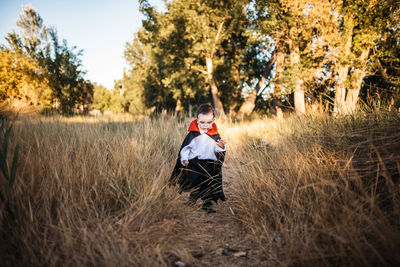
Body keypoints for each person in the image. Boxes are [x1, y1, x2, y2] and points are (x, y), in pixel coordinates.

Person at [169, 103, 226, 213]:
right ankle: (193, 199)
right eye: (202, 122)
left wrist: (221, 147)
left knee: (208, 183)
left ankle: (207, 204)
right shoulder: (192, 134)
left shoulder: (215, 135)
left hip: (209, 163)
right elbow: (185, 149)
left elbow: (218, 150)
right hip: (194, 163)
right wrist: (184, 159)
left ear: (214, 120)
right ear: (197, 120)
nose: (205, 125)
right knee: (194, 181)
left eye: (209, 122)